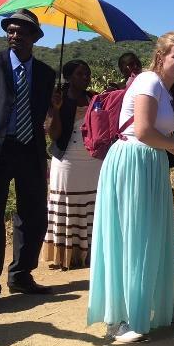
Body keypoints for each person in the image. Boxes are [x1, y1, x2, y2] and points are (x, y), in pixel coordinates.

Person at [87, 32, 174, 343]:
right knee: (134, 236)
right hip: (133, 161)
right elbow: (143, 132)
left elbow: (163, 142)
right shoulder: (148, 81)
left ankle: (167, 306)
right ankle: (122, 320)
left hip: (150, 163)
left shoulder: (166, 92)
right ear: (161, 57)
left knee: (158, 235)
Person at [0, 9, 56, 313]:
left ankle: (20, 275)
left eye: (22, 31)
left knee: (33, 217)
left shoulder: (45, 73)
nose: (14, 35)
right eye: (10, 30)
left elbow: (41, 113)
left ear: (35, 37)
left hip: (30, 151)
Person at [43, 59, 102, 270]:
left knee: (91, 206)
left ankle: (89, 254)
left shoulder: (94, 97)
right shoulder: (57, 98)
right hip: (67, 159)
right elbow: (54, 135)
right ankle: (66, 256)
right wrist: (56, 109)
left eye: (87, 73)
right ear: (67, 76)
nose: (85, 77)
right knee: (67, 206)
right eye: (79, 74)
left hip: (93, 160)